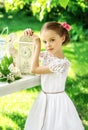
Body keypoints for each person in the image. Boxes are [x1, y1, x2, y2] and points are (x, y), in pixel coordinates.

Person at [24, 21, 84, 130]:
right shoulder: (48, 55)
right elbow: (31, 58)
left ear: (62, 38)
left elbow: (34, 69)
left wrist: (38, 45)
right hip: (43, 99)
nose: (48, 45)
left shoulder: (61, 64)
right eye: (45, 41)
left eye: (52, 40)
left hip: (57, 104)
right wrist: (30, 38)